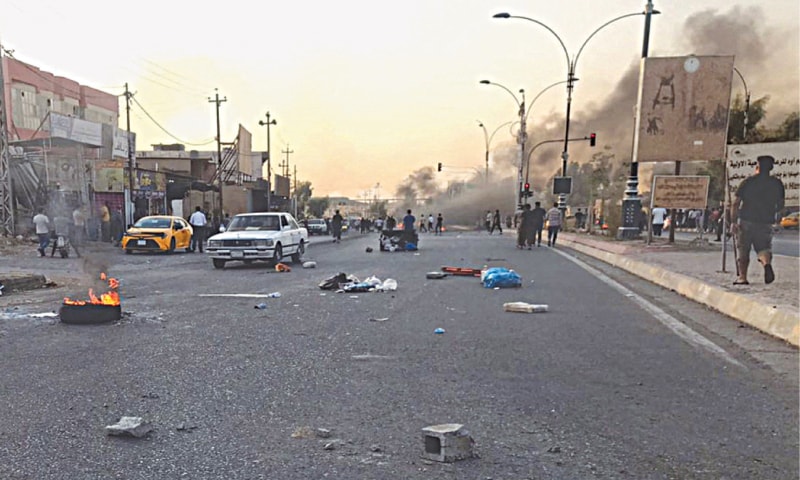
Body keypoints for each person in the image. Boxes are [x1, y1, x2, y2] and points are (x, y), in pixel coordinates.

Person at [731, 155, 785, 285]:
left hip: (746, 220)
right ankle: (766, 264)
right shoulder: (777, 184)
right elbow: (781, 204)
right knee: (764, 248)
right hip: (766, 221)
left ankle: (742, 277)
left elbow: (736, 203)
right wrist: (775, 215)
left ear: (758, 167)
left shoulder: (748, 182)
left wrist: (733, 221)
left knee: (744, 249)